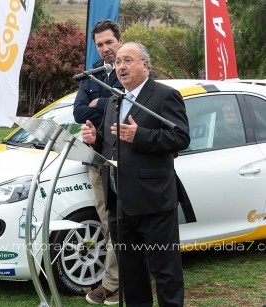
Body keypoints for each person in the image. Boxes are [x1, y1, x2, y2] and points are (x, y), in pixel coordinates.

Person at [81, 42, 190, 306]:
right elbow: (112, 145)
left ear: (146, 65)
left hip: (153, 201)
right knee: (131, 273)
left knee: (165, 270)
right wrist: (95, 140)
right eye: (118, 62)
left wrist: (140, 135)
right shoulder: (114, 101)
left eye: (127, 60)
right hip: (119, 203)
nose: (121, 67)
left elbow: (181, 137)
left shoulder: (165, 95)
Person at [73, 19, 123, 305]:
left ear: (119, 39)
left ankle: (115, 283)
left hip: (126, 160)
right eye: (100, 44)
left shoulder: (130, 70)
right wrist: (102, 105)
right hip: (97, 158)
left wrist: (99, 104)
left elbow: (129, 103)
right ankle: (114, 280)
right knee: (107, 222)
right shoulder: (92, 76)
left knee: (121, 223)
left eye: (109, 42)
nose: (105, 49)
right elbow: (79, 113)